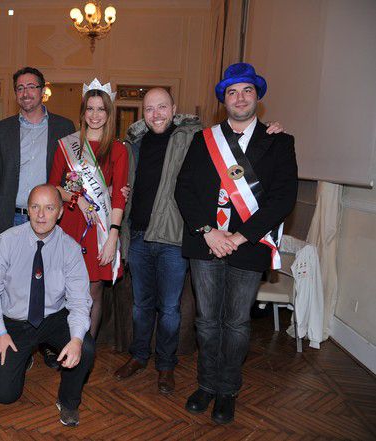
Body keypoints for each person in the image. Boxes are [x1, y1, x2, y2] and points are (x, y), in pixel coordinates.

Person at [175, 63, 297, 424]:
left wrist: (240, 237)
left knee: (237, 324)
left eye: (247, 91)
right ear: (223, 100)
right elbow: (184, 189)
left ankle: (227, 390)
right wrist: (208, 231)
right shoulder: (204, 140)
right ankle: (206, 385)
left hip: (249, 246)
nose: (240, 98)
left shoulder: (279, 141)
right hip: (206, 244)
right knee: (206, 321)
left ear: (257, 97)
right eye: (232, 92)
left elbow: (283, 198)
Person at [0, 66, 75, 367]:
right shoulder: (3, 129)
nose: (25, 93)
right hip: (11, 219)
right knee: (9, 284)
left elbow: (75, 175)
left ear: (42, 90)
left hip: (48, 220)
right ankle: (5, 340)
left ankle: (47, 343)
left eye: (31, 86)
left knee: (49, 282)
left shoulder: (64, 127)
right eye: (20, 88)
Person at [0, 184, 94, 427]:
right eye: (35, 207)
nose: (41, 215)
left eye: (49, 208)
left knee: (85, 347)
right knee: (5, 396)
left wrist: (75, 340)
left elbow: (79, 300)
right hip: (15, 322)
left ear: (60, 212)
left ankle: (68, 402)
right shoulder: (8, 241)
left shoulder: (70, 249)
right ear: (28, 210)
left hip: (53, 317)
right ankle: (23, 358)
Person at [113, 88, 201, 393]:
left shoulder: (192, 138)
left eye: (162, 107)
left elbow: (229, 140)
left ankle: (165, 365)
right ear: (143, 113)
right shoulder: (134, 143)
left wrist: (269, 130)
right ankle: (139, 356)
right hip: (138, 235)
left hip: (172, 238)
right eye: (149, 109)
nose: (156, 114)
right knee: (141, 305)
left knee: (170, 309)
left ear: (174, 109)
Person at [48, 79, 128, 339]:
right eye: (90, 109)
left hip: (100, 228)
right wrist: (77, 199)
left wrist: (112, 237)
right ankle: (63, 344)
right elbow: (53, 186)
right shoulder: (66, 145)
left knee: (94, 291)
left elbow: (119, 198)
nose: (95, 115)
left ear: (108, 113)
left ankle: (86, 348)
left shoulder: (118, 150)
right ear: (82, 113)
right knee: (62, 289)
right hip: (70, 223)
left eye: (101, 109)